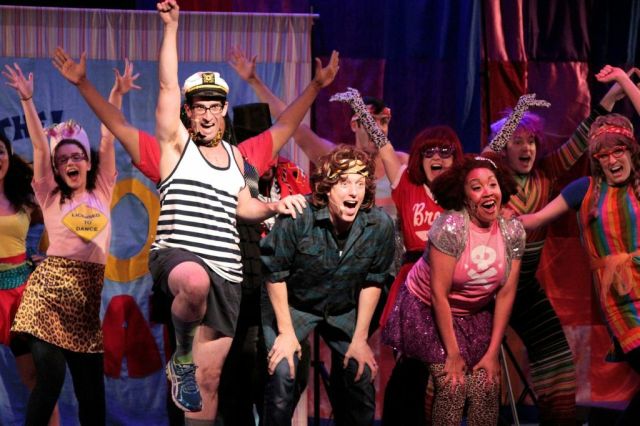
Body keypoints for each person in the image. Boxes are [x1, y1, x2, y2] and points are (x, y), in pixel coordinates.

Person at [150, 1, 312, 422]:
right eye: (198, 107)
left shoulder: (237, 158)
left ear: (223, 111)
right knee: (194, 282)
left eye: (214, 106)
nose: (206, 114)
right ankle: (181, 358)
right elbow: (167, 86)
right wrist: (171, 28)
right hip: (180, 257)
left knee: (207, 381)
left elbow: (243, 206)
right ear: (187, 112)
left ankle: (189, 376)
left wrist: (274, 205)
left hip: (229, 276)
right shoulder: (176, 146)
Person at [483, 80, 630, 423]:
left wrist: (611, 97)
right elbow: (485, 155)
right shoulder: (492, 176)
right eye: (517, 141)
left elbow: (578, 142)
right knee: (477, 363)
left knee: (557, 359)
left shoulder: (546, 173)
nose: (527, 148)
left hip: (524, 287)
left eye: (531, 141)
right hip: (485, 287)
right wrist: (516, 115)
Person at [520, 67, 640, 426]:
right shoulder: (585, 190)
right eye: (603, 155)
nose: (612, 160)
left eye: (619, 151)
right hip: (622, 301)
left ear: (631, 152)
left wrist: (624, 81)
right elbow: (533, 221)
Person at [3, 63, 117, 425]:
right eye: (63, 158)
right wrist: (27, 99)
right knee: (49, 379)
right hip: (46, 299)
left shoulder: (102, 189)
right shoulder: (50, 194)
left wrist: (115, 96)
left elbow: (109, 137)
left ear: (88, 162)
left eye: (77, 156)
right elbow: (40, 146)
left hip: (85, 309)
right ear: (55, 167)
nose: (70, 161)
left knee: (92, 397)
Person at [383, 154, 525, 425]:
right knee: (453, 385)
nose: (487, 192)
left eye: (492, 184)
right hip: (425, 308)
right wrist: (453, 353)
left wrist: (493, 352)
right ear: (464, 196)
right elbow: (438, 294)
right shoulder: (450, 227)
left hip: (474, 312)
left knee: (486, 385)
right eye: (477, 187)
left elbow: (506, 293)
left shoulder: (513, 231)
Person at [261, 145, 395, 426]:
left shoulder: (379, 225)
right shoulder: (299, 216)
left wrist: (360, 339)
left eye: (360, 183)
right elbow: (274, 272)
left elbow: (374, 280)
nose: (353, 192)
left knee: (360, 373)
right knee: (284, 372)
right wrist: (286, 333)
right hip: (294, 305)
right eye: (344, 182)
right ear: (327, 187)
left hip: (343, 308)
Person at [0, 129, 60, 426]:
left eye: (0, 151)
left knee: (39, 378)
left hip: (24, 295)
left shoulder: (22, 199)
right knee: (32, 377)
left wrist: (49, 256)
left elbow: (59, 219)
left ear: (8, 155)